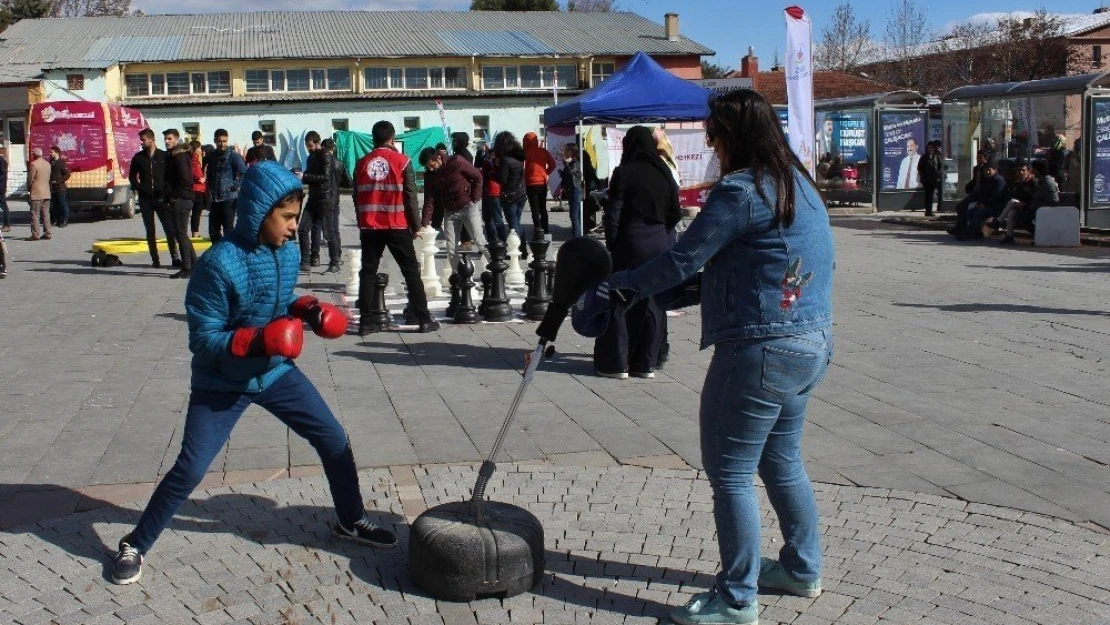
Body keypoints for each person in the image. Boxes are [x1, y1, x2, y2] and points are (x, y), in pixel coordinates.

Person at [601, 89, 834, 625]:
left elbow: (682, 257)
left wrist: (622, 289)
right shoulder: (800, 184)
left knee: (730, 473)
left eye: (712, 138)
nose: (711, 148)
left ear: (730, 137)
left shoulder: (742, 190)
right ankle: (802, 569)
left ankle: (736, 600)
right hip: (810, 343)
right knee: (782, 460)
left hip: (760, 350)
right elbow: (759, 264)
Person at [108, 160, 396, 586]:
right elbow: (203, 339)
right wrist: (259, 340)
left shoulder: (287, 249)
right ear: (261, 213)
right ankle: (135, 542)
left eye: (297, 217)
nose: (294, 226)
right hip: (222, 379)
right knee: (190, 468)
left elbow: (280, 298)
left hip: (275, 373)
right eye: (287, 217)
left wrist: (307, 308)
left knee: (334, 439)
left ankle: (350, 520)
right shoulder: (218, 264)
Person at [594, 126, 680, 380]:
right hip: (659, 242)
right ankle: (646, 364)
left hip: (630, 241)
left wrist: (613, 244)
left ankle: (618, 363)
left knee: (620, 300)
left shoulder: (623, 173)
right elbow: (675, 211)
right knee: (653, 302)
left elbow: (614, 213)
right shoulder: (664, 172)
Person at [353, 121, 438, 334]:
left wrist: (362, 220)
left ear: (373, 139)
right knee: (411, 272)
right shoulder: (402, 161)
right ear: (392, 139)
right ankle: (423, 318)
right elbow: (410, 196)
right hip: (396, 224)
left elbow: (356, 195)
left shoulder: (362, 163)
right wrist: (416, 225)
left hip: (370, 226)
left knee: (368, 272)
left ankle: (365, 322)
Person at [419, 146, 486, 274]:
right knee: (451, 248)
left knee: (479, 241)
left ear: (438, 157)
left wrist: (475, 198)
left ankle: (496, 269)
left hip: (468, 207)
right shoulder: (430, 175)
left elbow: (478, 176)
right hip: (450, 212)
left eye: (431, 165)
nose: (430, 168)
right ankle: (457, 276)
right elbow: (429, 200)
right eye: (427, 167)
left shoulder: (456, 162)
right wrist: (425, 223)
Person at [129, 129, 178, 267]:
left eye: (143, 140)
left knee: (169, 229)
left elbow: (171, 176)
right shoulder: (138, 157)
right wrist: (139, 188)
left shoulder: (164, 156)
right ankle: (155, 259)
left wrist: (166, 192)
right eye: (141, 140)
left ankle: (175, 257)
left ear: (151, 140)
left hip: (161, 198)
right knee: (150, 231)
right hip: (145, 200)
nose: (141, 142)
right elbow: (132, 176)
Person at [299, 130, 340, 273]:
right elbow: (309, 176)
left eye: (310, 146)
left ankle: (335, 262)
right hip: (313, 199)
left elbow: (325, 177)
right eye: (307, 146)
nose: (308, 149)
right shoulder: (311, 158)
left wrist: (305, 176)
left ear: (317, 143)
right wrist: (302, 176)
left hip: (325, 199)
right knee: (303, 229)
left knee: (329, 233)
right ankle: (305, 261)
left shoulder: (326, 156)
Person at [163, 129, 197, 279]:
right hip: (181, 199)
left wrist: (174, 196)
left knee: (181, 234)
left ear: (177, 140)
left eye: (169, 139)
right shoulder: (174, 156)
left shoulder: (179, 157)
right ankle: (194, 263)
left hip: (182, 199)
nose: (167, 141)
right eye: (165, 139)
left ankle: (187, 267)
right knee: (181, 233)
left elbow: (186, 180)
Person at [205, 129, 247, 243]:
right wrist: (209, 192)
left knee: (228, 231)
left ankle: (230, 257)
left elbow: (244, 172)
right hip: (215, 199)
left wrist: (235, 185)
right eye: (219, 141)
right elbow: (209, 175)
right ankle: (217, 256)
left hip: (229, 199)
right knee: (213, 232)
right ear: (215, 141)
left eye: (224, 141)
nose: (222, 144)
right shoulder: (212, 156)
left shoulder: (233, 156)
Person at [955, 160, 1007, 240]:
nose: (988, 172)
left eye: (989, 170)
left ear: (995, 170)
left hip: (997, 206)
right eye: (986, 170)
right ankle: (976, 232)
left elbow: (996, 197)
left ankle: (968, 234)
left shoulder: (999, 181)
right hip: (986, 205)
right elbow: (981, 194)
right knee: (970, 213)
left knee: (978, 214)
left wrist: (985, 204)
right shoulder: (986, 180)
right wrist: (980, 203)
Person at [494, 131, 528, 257]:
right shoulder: (518, 158)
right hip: (521, 193)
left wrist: (495, 170)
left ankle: (517, 249)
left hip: (510, 195)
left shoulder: (505, 160)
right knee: (517, 222)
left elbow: (502, 179)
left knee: (513, 223)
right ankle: (523, 249)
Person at [988, 161, 1035, 242]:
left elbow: (1035, 197)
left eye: (1023, 170)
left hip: (1030, 206)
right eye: (1019, 170)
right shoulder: (1017, 183)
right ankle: (1009, 236)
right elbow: (1013, 195)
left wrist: (1026, 204)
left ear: (1028, 171)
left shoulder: (1032, 182)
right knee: (1011, 213)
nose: (1021, 172)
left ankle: (998, 222)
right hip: (1019, 206)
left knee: (1013, 201)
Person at [523, 131, 556, 239]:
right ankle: (546, 231)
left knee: (535, 210)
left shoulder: (524, 153)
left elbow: (521, 168)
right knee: (543, 209)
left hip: (530, 184)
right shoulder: (543, 151)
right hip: (542, 183)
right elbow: (553, 165)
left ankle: (538, 230)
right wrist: (545, 172)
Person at [320, 137, 344, 272]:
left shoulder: (323, 163)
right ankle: (338, 254)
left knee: (329, 229)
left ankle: (335, 257)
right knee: (335, 228)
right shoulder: (339, 163)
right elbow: (347, 181)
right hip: (337, 197)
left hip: (327, 198)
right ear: (333, 148)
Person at [480, 145, 508, 244]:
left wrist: (492, 165)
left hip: (495, 192)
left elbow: (500, 176)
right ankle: (492, 241)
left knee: (497, 219)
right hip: (487, 191)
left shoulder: (499, 162)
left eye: (491, 153)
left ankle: (502, 243)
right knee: (487, 219)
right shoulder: (486, 161)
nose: (490, 155)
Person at [559, 142, 584, 239]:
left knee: (574, 215)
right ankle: (576, 234)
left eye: (566, 150)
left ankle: (576, 237)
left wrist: (565, 163)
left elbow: (571, 173)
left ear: (571, 151)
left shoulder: (574, 163)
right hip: (571, 190)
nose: (564, 152)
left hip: (575, 190)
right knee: (573, 215)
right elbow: (568, 176)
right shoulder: (570, 162)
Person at [27, 147, 51, 241]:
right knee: (46, 213)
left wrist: (28, 188)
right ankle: (48, 233)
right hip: (46, 192)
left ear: (33, 155)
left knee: (35, 214)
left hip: (36, 192)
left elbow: (30, 179)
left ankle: (35, 234)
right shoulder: (47, 164)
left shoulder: (33, 164)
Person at [917, 140, 943, 216]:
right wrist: (923, 175)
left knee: (933, 194)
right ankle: (928, 211)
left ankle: (934, 209)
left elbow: (940, 166)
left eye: (932, 148)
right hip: (926, 179)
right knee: (929, 195)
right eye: (929, 148)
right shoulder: (924, 157)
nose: (930, 149)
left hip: (934, 178)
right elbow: (919, 167)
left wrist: (938, 174)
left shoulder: (937, 156)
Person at [48, 146, 70, 227]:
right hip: (52, 188)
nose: (50, 154)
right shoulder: (51, 162)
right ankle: (56, 220)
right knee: (55, 205)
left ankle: (64, 220)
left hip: (60, 188)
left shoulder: (61, 162)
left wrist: (58, 181)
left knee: (62, 204)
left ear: (56, 152)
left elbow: (67, 174)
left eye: (51, 152)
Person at [189, 141, 207, 238]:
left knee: (194, 212)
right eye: (199, 148)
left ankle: (194, 231)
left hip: (194, 189)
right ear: (195, 149)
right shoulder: (194, 160)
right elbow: (198, 176)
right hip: (197, 189)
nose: (201, 150)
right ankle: (195, 232)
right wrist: (205, 179)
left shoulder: (192, 159)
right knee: (196, 212)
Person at [0, 148, 9, 232]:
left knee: (4, 206)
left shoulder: (1, 160)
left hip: (0, 188)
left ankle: (7, 225)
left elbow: (3, 174)